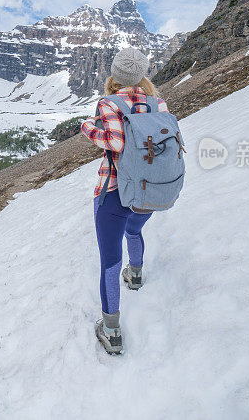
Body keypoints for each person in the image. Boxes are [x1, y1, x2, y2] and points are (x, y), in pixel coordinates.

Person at [80, 47, 169, 354]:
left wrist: (88, 128)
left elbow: (115, 142)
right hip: (150, 190)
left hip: (115, 190)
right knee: (134, 230)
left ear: (115, 74)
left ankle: (111, 330)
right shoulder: (158, 102)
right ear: (142, 74)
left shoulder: (109, 102)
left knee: (109, 261)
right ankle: (136, 273)